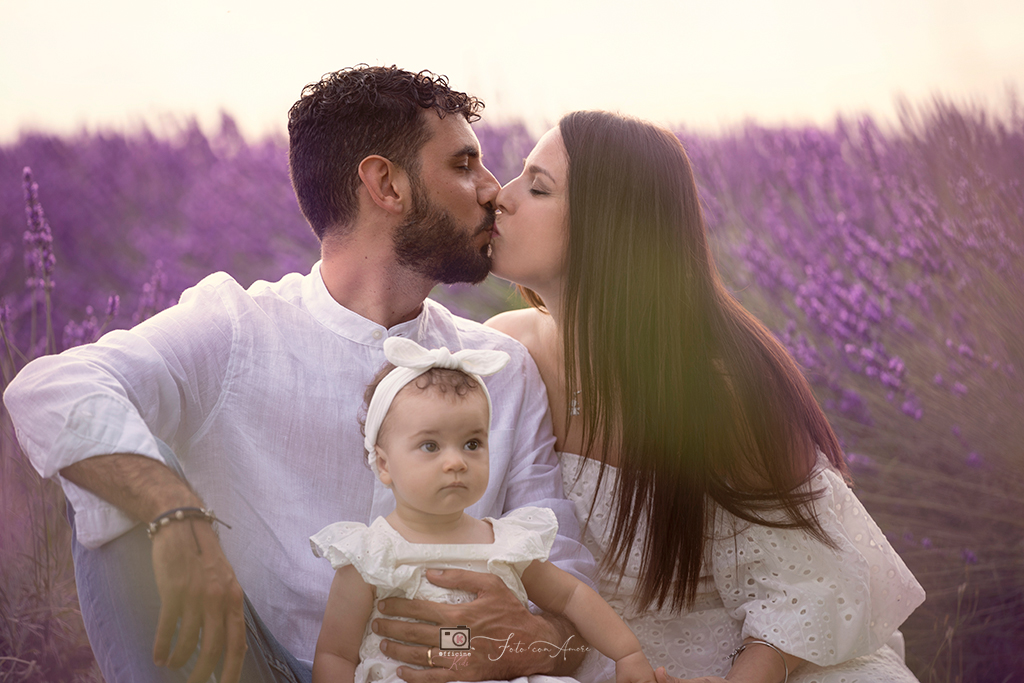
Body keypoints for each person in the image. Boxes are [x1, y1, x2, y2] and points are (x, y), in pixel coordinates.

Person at [2, 66, 601, 683]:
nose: (491, 189)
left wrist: (537, 639)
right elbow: (51, 388)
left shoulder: (499, 367)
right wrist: (173, 511)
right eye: (463, 164)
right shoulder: (239, 330)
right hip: (252, 667)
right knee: (123, 466)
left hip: (438, 673)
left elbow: (565, 577)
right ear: (386, 185)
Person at [485, 111, 926, 683]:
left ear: (609, 226)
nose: (501, 196)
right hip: (591, 651)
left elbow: (801, 588)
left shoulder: (716, 384)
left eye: (537, 186)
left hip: (742, 656)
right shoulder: (505, 349)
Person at [309, 337, 654, 683]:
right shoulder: (370, 554)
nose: (456, 462)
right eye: (430, 445)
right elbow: (336, 653)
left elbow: (571, 595)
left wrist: (627, 653)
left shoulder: (504, 542)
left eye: (472, 443)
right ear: (384, 464)